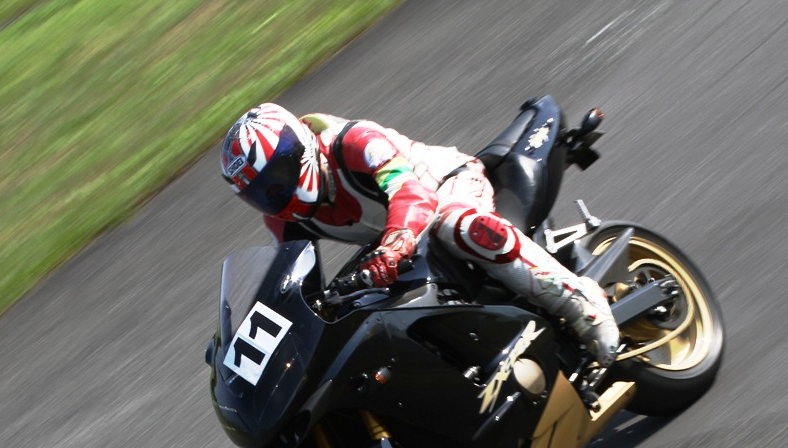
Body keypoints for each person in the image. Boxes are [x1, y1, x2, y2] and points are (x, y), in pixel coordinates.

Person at [220, 103, 619, 368]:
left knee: (457, 224)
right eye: (260, 193)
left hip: (447, 187)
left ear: (299, 151)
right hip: (400, 236)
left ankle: (580, 301)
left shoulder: (355, 142)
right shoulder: (283, 220)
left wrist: (393, 247)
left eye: (277, 178)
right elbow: (288, 286)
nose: (275, 195)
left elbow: (410, 193)